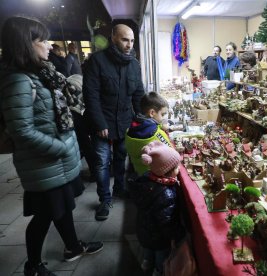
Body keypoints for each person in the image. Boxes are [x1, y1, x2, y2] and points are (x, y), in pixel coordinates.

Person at [0, 16, 103, 276]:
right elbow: (21, 131)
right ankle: (33, 266)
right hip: (43, 162)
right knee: (44, 216)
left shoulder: (40, 72)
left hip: (53, 161)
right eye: (42, 40)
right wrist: (60, 147)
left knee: (62, 207)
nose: (49, 45)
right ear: (25, 44)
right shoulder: (19, 81)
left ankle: (72, 247)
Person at [83, 24, 145, 221]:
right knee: (102, 162)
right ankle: (104, 199)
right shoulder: (97, 61)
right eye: (125, 40)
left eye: (132, 40)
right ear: (113, 38)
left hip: (125, 121)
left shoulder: (134, 64)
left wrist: (143, 118)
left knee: (120, 157)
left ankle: (119, 189)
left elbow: (138, 94)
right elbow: (90, 96)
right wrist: (100, 123)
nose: (129, 45)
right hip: (103, 122)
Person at [129, 141, 185, 275]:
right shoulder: (166, 194)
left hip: (144, 231)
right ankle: (159, 271)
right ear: (166, 171)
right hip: (160, 238)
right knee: (161, 257)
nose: (179, 169)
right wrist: (177, 236)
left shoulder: (145, 180)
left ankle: (147, 263)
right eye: (176, 166)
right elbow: (166, 222)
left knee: (148, 250)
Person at [125, 91, 171, 177]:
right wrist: (164, 132)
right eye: (163, 114)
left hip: (138, 174)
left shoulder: (130, 130)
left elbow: (146, 126)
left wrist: (159, 125)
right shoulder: (157, 134)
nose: (163, 118)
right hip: (155, 176)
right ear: (152, 113)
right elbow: (171, 154)